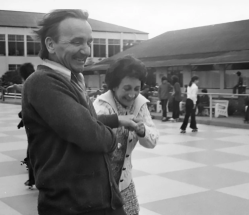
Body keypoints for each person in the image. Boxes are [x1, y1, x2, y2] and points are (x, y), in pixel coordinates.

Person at [22, 9, 135, 215]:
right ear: (50, 44)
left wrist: (116, 119)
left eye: (88, 42)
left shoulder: (72, 78)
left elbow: (83, 121)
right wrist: (114, 137)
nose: (86, 50)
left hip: (98, 200)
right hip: (73, 206)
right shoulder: (43, 81)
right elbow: (90, 134)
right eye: (76, 42)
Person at [93, 55, 159, 215]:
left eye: (137, 88)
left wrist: (142, 131)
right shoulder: (101, 106)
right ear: (114, 87)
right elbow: (92, 136)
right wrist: (118, 121)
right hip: (97, 185)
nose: (132, 94)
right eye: (127, 88)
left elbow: (152, 141)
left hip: (124, 182)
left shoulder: (140, 105)